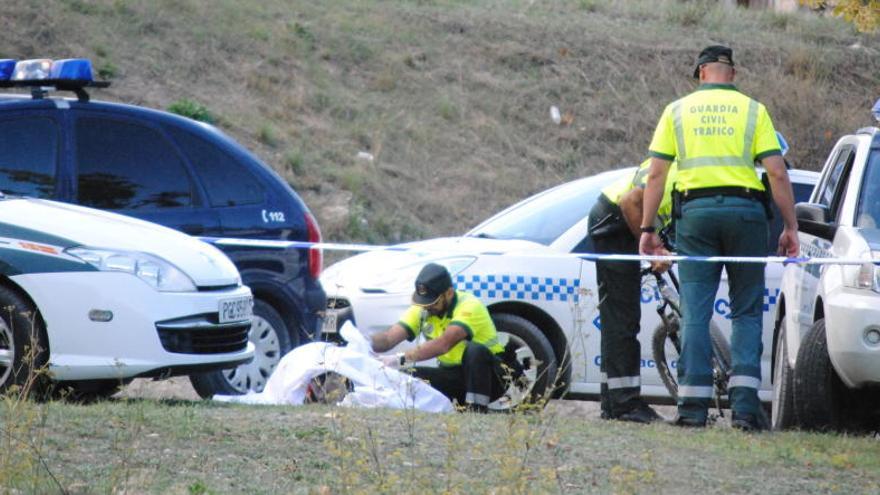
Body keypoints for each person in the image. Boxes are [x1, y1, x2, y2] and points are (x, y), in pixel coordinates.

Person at [639, 45, 799, 431]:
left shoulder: (676, 111)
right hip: (746, 216)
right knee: (745, 310)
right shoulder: (753, 110)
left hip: (695, 217)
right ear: (732, 73)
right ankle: (745, 408)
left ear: (700, 73)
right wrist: (790, 226)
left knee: (695, 310)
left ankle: (691, 408)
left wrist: (647, 229)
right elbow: (777, 173)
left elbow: (657, 175)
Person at [588, 158, 677, 423]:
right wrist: (650, 251)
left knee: (618, 319)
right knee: (622, 318)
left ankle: (612, 403)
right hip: (615, 221)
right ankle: (625, 405)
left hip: (619, 218)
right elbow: (630, 202)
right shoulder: (679, 169)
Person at [370, 262, 509, 412]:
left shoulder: (469, 306)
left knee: (474, 351)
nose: (427, 307)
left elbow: (443, 344)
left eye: (433, 302)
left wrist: (399, 359)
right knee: (406, 378)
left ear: (449, 293)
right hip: (453, 375)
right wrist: (362, 341)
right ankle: (457, 406)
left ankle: (476, 410)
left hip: (488, 377)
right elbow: (388, 339)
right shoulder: (424, 309)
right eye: (424, 302)